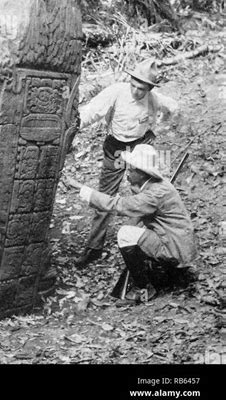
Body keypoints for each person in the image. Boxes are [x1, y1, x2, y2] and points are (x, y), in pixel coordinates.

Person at [75, 58, 179, 269]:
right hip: (116, 148)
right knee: (107, 194)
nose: (136, 91)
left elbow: (173, 108)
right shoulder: (117, 92)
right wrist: (75, 126)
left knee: (144, 196)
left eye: (142, 89)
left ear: (149, 88)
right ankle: (94, 247)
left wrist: (162, 126)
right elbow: (91, 112)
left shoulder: (154, 99)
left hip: (140, 147)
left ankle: (139, 240)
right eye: (133, 85)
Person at [65, 144, 196, 302]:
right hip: (178, 242)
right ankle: (166, 272)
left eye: (132, 169)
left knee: (125, 234)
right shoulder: (156, 186)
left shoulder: (154, 194)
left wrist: (82, 189)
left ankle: (144, 288)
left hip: (176, 249)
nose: (128, 171)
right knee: (133, 229)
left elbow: (117, 205)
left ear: (143, 173)